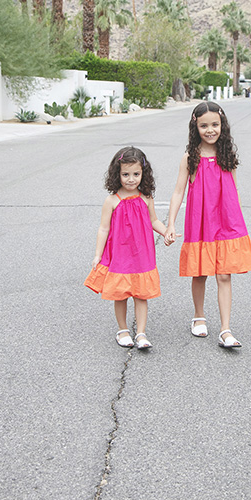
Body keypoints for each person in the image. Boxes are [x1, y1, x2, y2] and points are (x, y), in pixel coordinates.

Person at [166, 101, 251, 348]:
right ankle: (199, 316)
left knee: (224, 274)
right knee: (200, 272)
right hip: (201, 220)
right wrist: (170, 223)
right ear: (195, 127)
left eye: (215, 124)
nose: (210, 130)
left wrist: (236, 219)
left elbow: (233, 189)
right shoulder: (190, 157)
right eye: (204, 125)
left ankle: (226, 329)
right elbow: (177, 192)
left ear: (222, 125)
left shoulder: (227, 155)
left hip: (226, 220)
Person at [85, 147, 168, 349]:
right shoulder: (112, 200)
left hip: (142, 255)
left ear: (143, 174)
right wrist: (98, 254)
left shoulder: (146, 198)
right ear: (117, 174)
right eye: (125, 174)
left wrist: (166, 232)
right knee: (120, 294)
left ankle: (141, 333)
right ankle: (123, 330)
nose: (131, 179)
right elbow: (104, 229)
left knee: (141, 294)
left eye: (136, 174)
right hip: (120, 255)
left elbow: (153, 221)